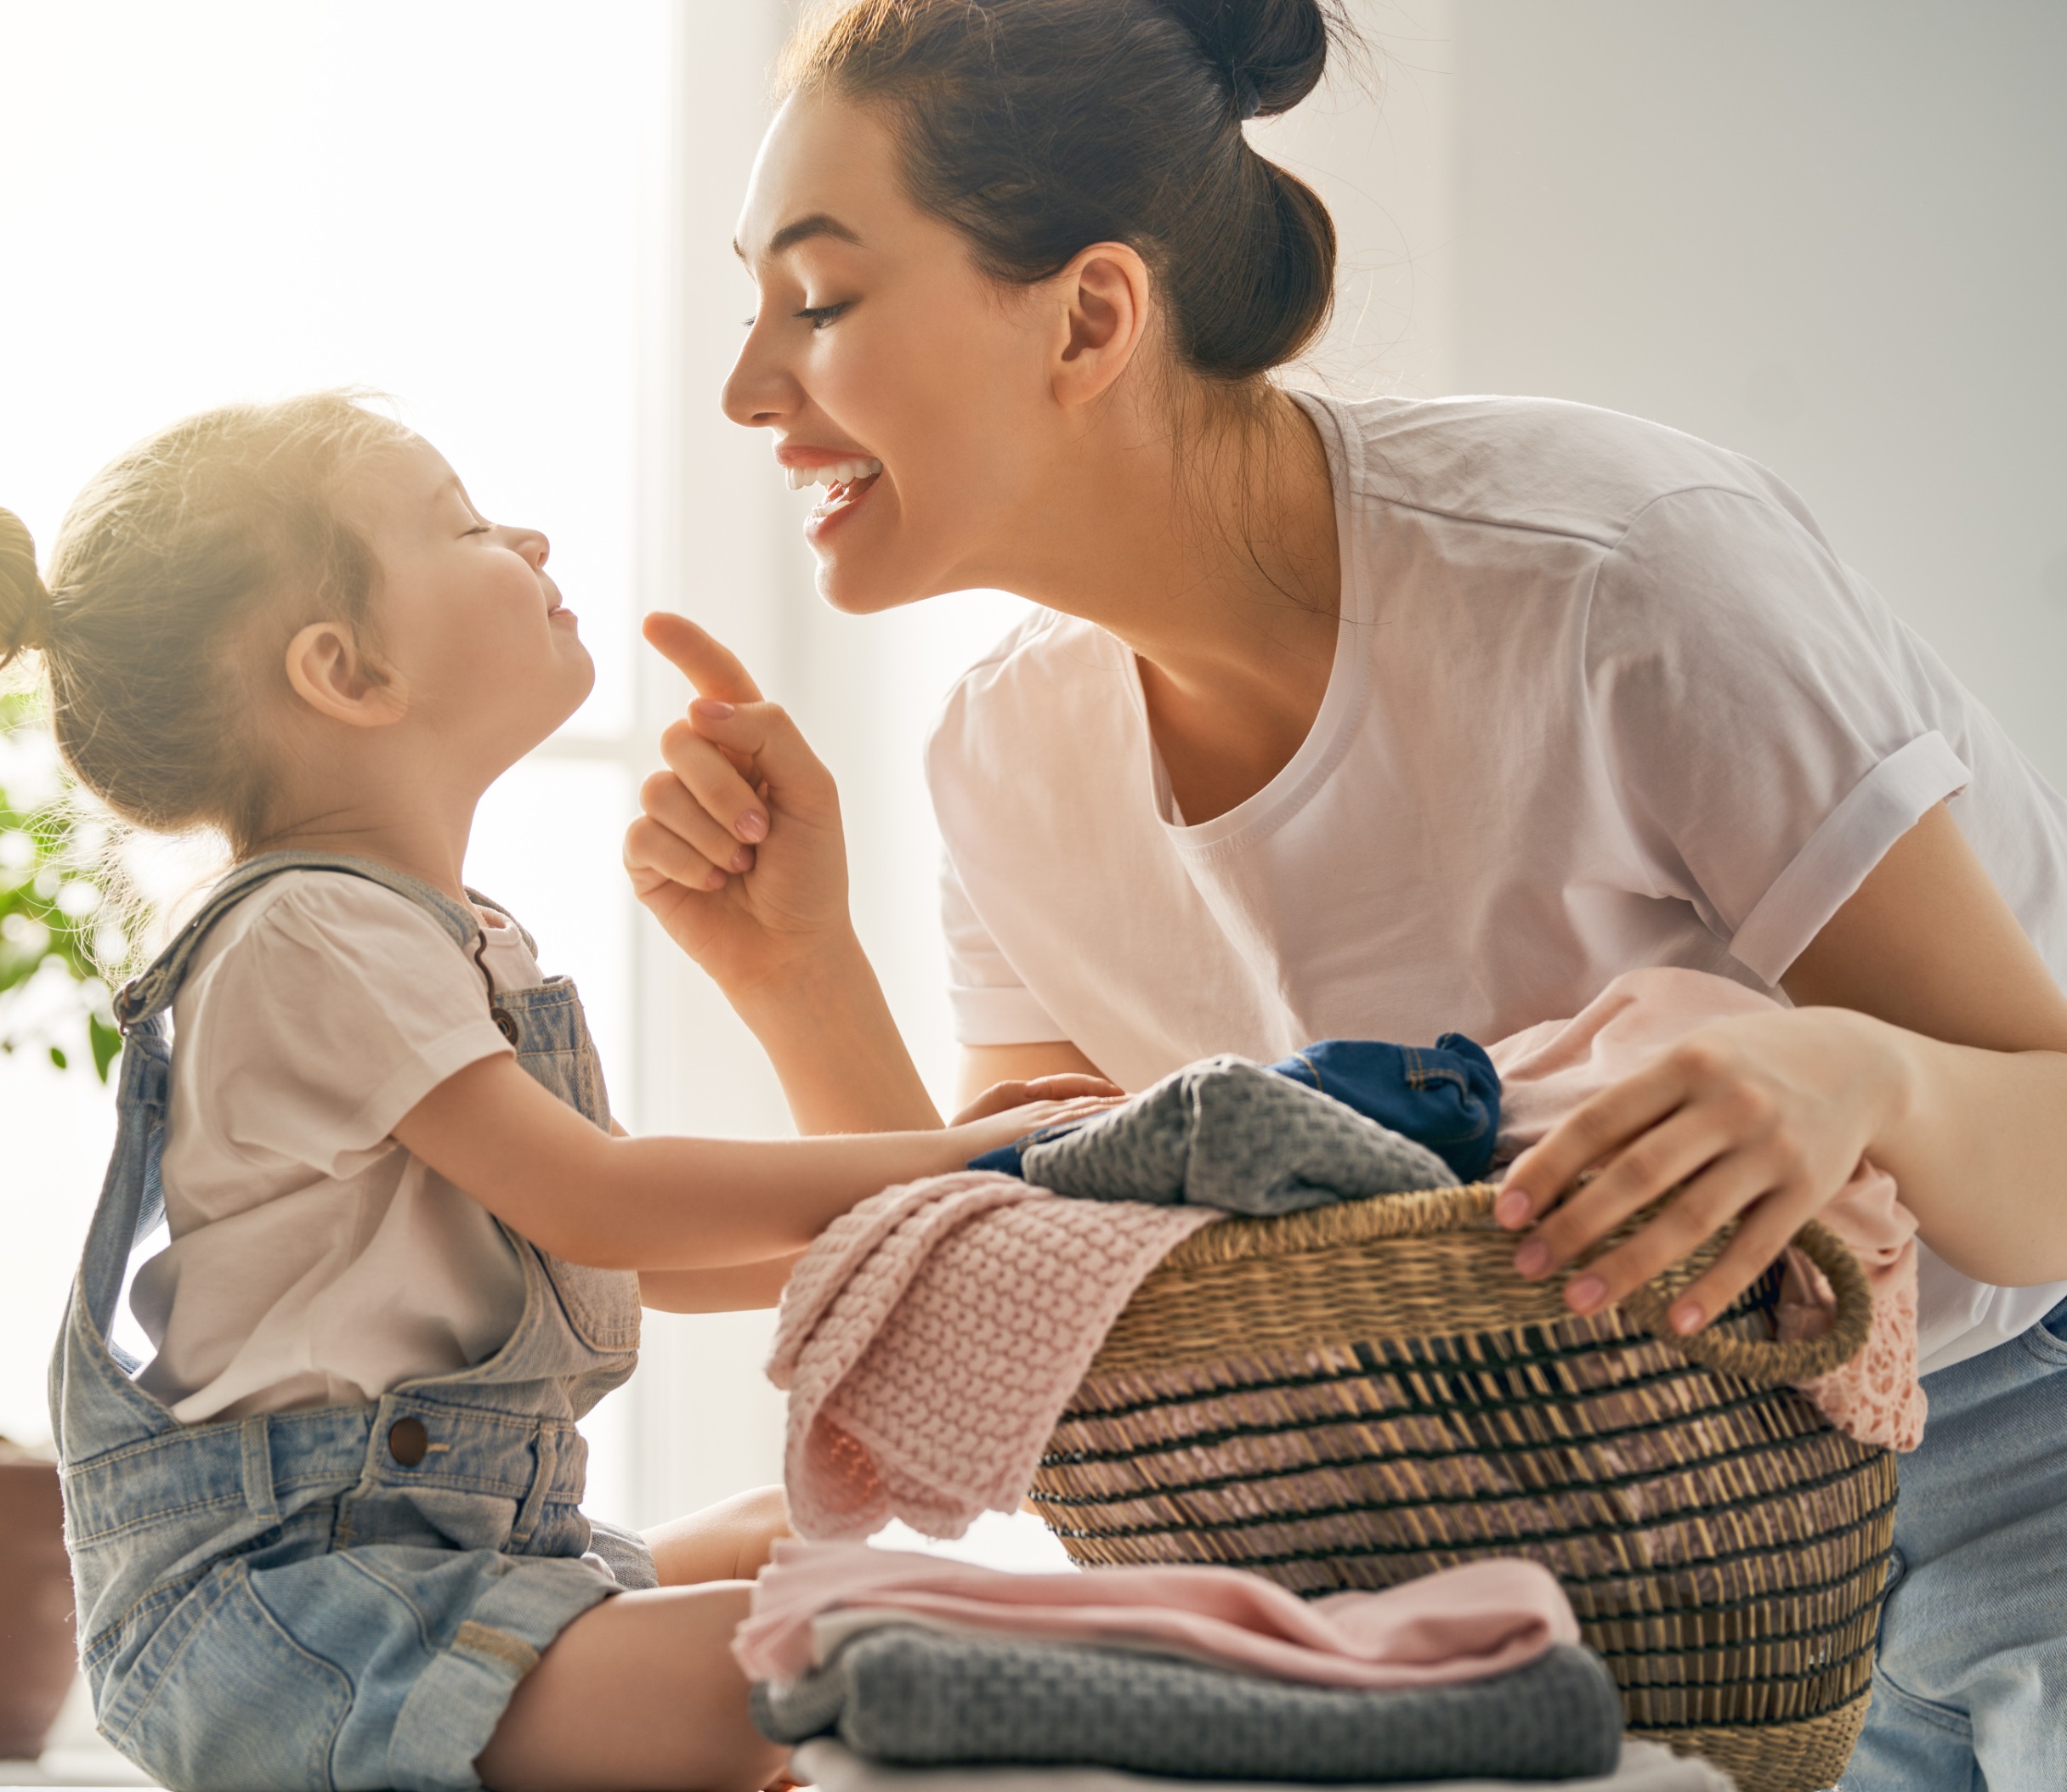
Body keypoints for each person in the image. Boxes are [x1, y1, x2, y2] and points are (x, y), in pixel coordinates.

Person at [623, 3, 2067, 1785]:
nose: (747, 388)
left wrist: (1867, 1077)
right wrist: (795, 966)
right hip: (1559, 1556)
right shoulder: (1003, 756)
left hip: (2011, 1431)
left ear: (1089, 315)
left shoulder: (1616, 576)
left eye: (818, 301)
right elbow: (1039, 1288)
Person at [0, 392, 1104, 1792]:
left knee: (784, 1557)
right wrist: (959, 1161)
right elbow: (598, 1199)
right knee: (836, 1632)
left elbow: (628, 1258)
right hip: (291, 1612)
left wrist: (930, 1233)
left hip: (447, 1550)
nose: (528, 535)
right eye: (467, 524)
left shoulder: (447, 939)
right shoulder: (305, 930)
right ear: (346, 670)